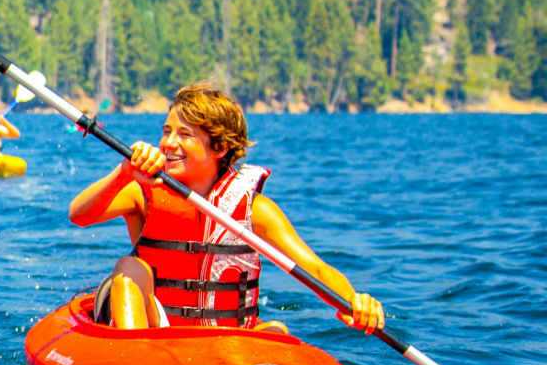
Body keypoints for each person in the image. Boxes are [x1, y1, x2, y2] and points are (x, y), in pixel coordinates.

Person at [67, 83, 385, 333]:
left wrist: (353, 301)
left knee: (276, 331)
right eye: (166, 132)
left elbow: (313, 269)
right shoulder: (142, 191)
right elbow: (79, 215)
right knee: (129, 271)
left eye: (185, 135)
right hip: (155, 333)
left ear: (219, 147)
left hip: (223, 344)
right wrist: (123, 173)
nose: (168, 143)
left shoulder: (255, 211)